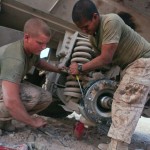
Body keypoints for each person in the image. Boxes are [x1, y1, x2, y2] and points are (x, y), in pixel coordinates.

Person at [69, 0, 150, 150]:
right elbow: (104, 64)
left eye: (86, 26)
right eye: (81, 29)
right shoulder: (94, 38)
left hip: (144, 62)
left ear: (95, 16)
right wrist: (82, 70)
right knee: (120, 100)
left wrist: (80, 68)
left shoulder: (111, 21)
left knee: (125, 102)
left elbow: (106, 58)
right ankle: (115, 145)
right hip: (130, 66)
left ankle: (118, 147)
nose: (85, 31)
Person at [0, 18, 63, 132]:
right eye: (40, 43)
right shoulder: (15, 59)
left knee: (45, 98)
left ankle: (5, 121)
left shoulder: (30, 51)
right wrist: (33, 122)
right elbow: (11, 101)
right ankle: (2, 120)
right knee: (32, 96)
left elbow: (38, 62)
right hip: (3, 86)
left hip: (3, 84)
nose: (44, 47)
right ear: (26, 37)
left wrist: (57, 70)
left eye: (45, 44)